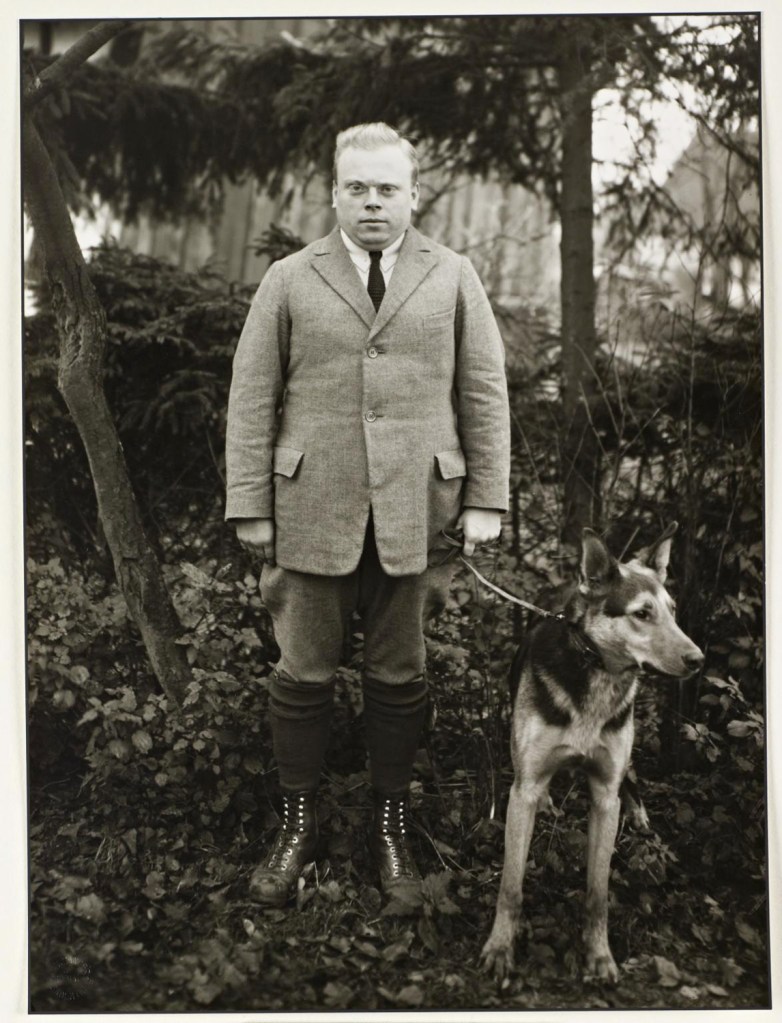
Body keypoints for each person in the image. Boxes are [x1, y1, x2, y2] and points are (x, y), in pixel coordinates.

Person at [225, 122, 510, 906]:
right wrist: (250, 502)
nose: (374, 202)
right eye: (358, 188)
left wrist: (487, 496)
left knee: (399, 674)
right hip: (308, 506)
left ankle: (388, 823)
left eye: (389, 189)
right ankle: (298, 822)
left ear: (413, 195)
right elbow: (252, 394)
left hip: (419, 509)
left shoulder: (454, 276)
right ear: (336, 193)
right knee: (301, 674)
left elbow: (483, 390)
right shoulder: (289, 277)